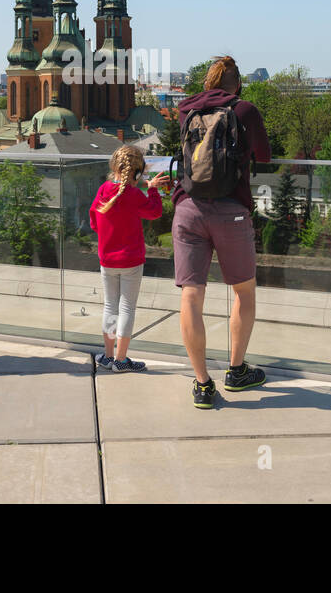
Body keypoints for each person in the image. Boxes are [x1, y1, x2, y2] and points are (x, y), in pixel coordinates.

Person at [171, 56, 272, 408]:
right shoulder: (244, 110)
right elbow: (265, 155)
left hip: (187, 209)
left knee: (191, 297)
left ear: (207, 84)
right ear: (237, 84)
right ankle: (237, 370)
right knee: (243, 291)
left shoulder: (187, 110)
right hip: (230, 211)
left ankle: (201, 384)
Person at [88, 145, 168, 373]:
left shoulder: (104, 189)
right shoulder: (133, 194)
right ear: (136, 173)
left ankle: (108, 355)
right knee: (126, 309)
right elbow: (155, 212)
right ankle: (121, 361)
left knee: (110, 306)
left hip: (107, 260)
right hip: (131, 261)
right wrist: (152, 189)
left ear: (114, 167)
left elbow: (94, 219)